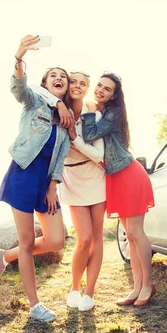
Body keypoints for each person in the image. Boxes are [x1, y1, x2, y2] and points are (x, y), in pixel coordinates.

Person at [0, 34, 73, 323]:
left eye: (63, 76)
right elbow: (19, 87)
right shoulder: (34, 103)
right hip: (23, 175)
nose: (58, 77)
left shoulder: (67, 120)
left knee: (56, 241)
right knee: (27, 241)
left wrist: (53, 186)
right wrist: (19, 57)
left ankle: (6, 257)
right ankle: (35, 305)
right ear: (46, 83)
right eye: (53, 75)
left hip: (46, 184)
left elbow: (61, 156)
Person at [81, 72, 156, 307]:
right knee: (130, 237)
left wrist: (90, 110)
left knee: (135, 233)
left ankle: (148, 285)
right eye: (99, 86)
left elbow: (90, 134)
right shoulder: (105, 113)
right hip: (115, 178)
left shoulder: (112, 114)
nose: (101, 90)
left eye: (107, 89)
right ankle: (135, 287)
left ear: (114, 96)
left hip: (130, 174)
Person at [59, 71, 106, 312]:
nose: (77, 86)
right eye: (73, 82)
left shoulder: (92, 114)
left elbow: (99, 155)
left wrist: (75, 138)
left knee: (96, 236)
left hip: (95, 177)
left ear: (87, 88)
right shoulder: (58, 111)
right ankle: (75, 288)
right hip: (71, 178)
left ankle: (90, 293)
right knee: (84, 237)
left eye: (82, 83)